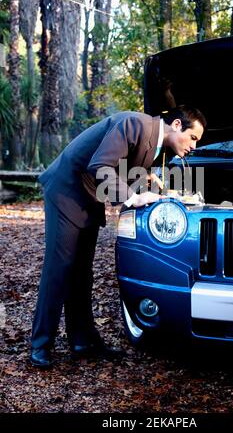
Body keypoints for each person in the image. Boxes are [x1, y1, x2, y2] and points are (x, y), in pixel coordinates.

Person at [30, 105, 206, 368]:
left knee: (82, 273)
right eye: (193, 138)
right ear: (177, 125)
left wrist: (151, 184)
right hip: (65, 191)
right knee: (59, 269)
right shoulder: (135, 124)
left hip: (88, 198)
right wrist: (135, 196)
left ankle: (82, 341)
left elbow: (122, 168)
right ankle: (40, 344)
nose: (194, 146)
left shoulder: (154, 142)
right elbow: (100, 165)